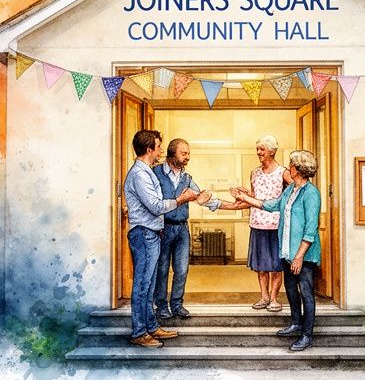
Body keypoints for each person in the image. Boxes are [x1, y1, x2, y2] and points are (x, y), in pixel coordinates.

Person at [230, 150, 320, 351]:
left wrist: (299, 257)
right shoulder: (290, 191)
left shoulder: (311, 193)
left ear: (298, 169)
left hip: (303, 255)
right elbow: (270, 205)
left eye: (291, 165)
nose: (288, 168)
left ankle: (307, 335)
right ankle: (296, 323)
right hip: (288, 252)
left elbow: (310, 229)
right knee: (290, 290)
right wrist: (244, 197)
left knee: (306, 292)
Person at [123, 129, 201, 348]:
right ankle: (139, 332)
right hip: (145, 233)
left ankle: (151, 326)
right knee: (142, 284)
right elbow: (157, 206)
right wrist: (180, 199)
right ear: (149, 149)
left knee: (148, 284)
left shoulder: (146, 172)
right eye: (158, 146)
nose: (160, 150)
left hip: (151, 234)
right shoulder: (141, 174)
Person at [152, 138, 237, 320]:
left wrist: (236, 205)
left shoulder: (187, 178)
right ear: (172, 153)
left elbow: (203, 200)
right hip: (162, 229)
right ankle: (161, 306)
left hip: (182, 229)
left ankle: (177, 305)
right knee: (162, 269)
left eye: (188, 153)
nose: (188, 157)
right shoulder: (155, 173)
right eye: (184, 153)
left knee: (182, 269)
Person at [239, 135, 292, 312]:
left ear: (272, 151)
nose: (258, 152)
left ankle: (275, 299)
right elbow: (253, 197)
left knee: (276, 266)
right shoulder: (254, 172)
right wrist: (244, 195)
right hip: (257, 224)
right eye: (257, 149)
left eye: (261, 149)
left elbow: (294, 194)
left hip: (277, 225)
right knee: (261, 265)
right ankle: (264, 297)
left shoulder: (284, 172)